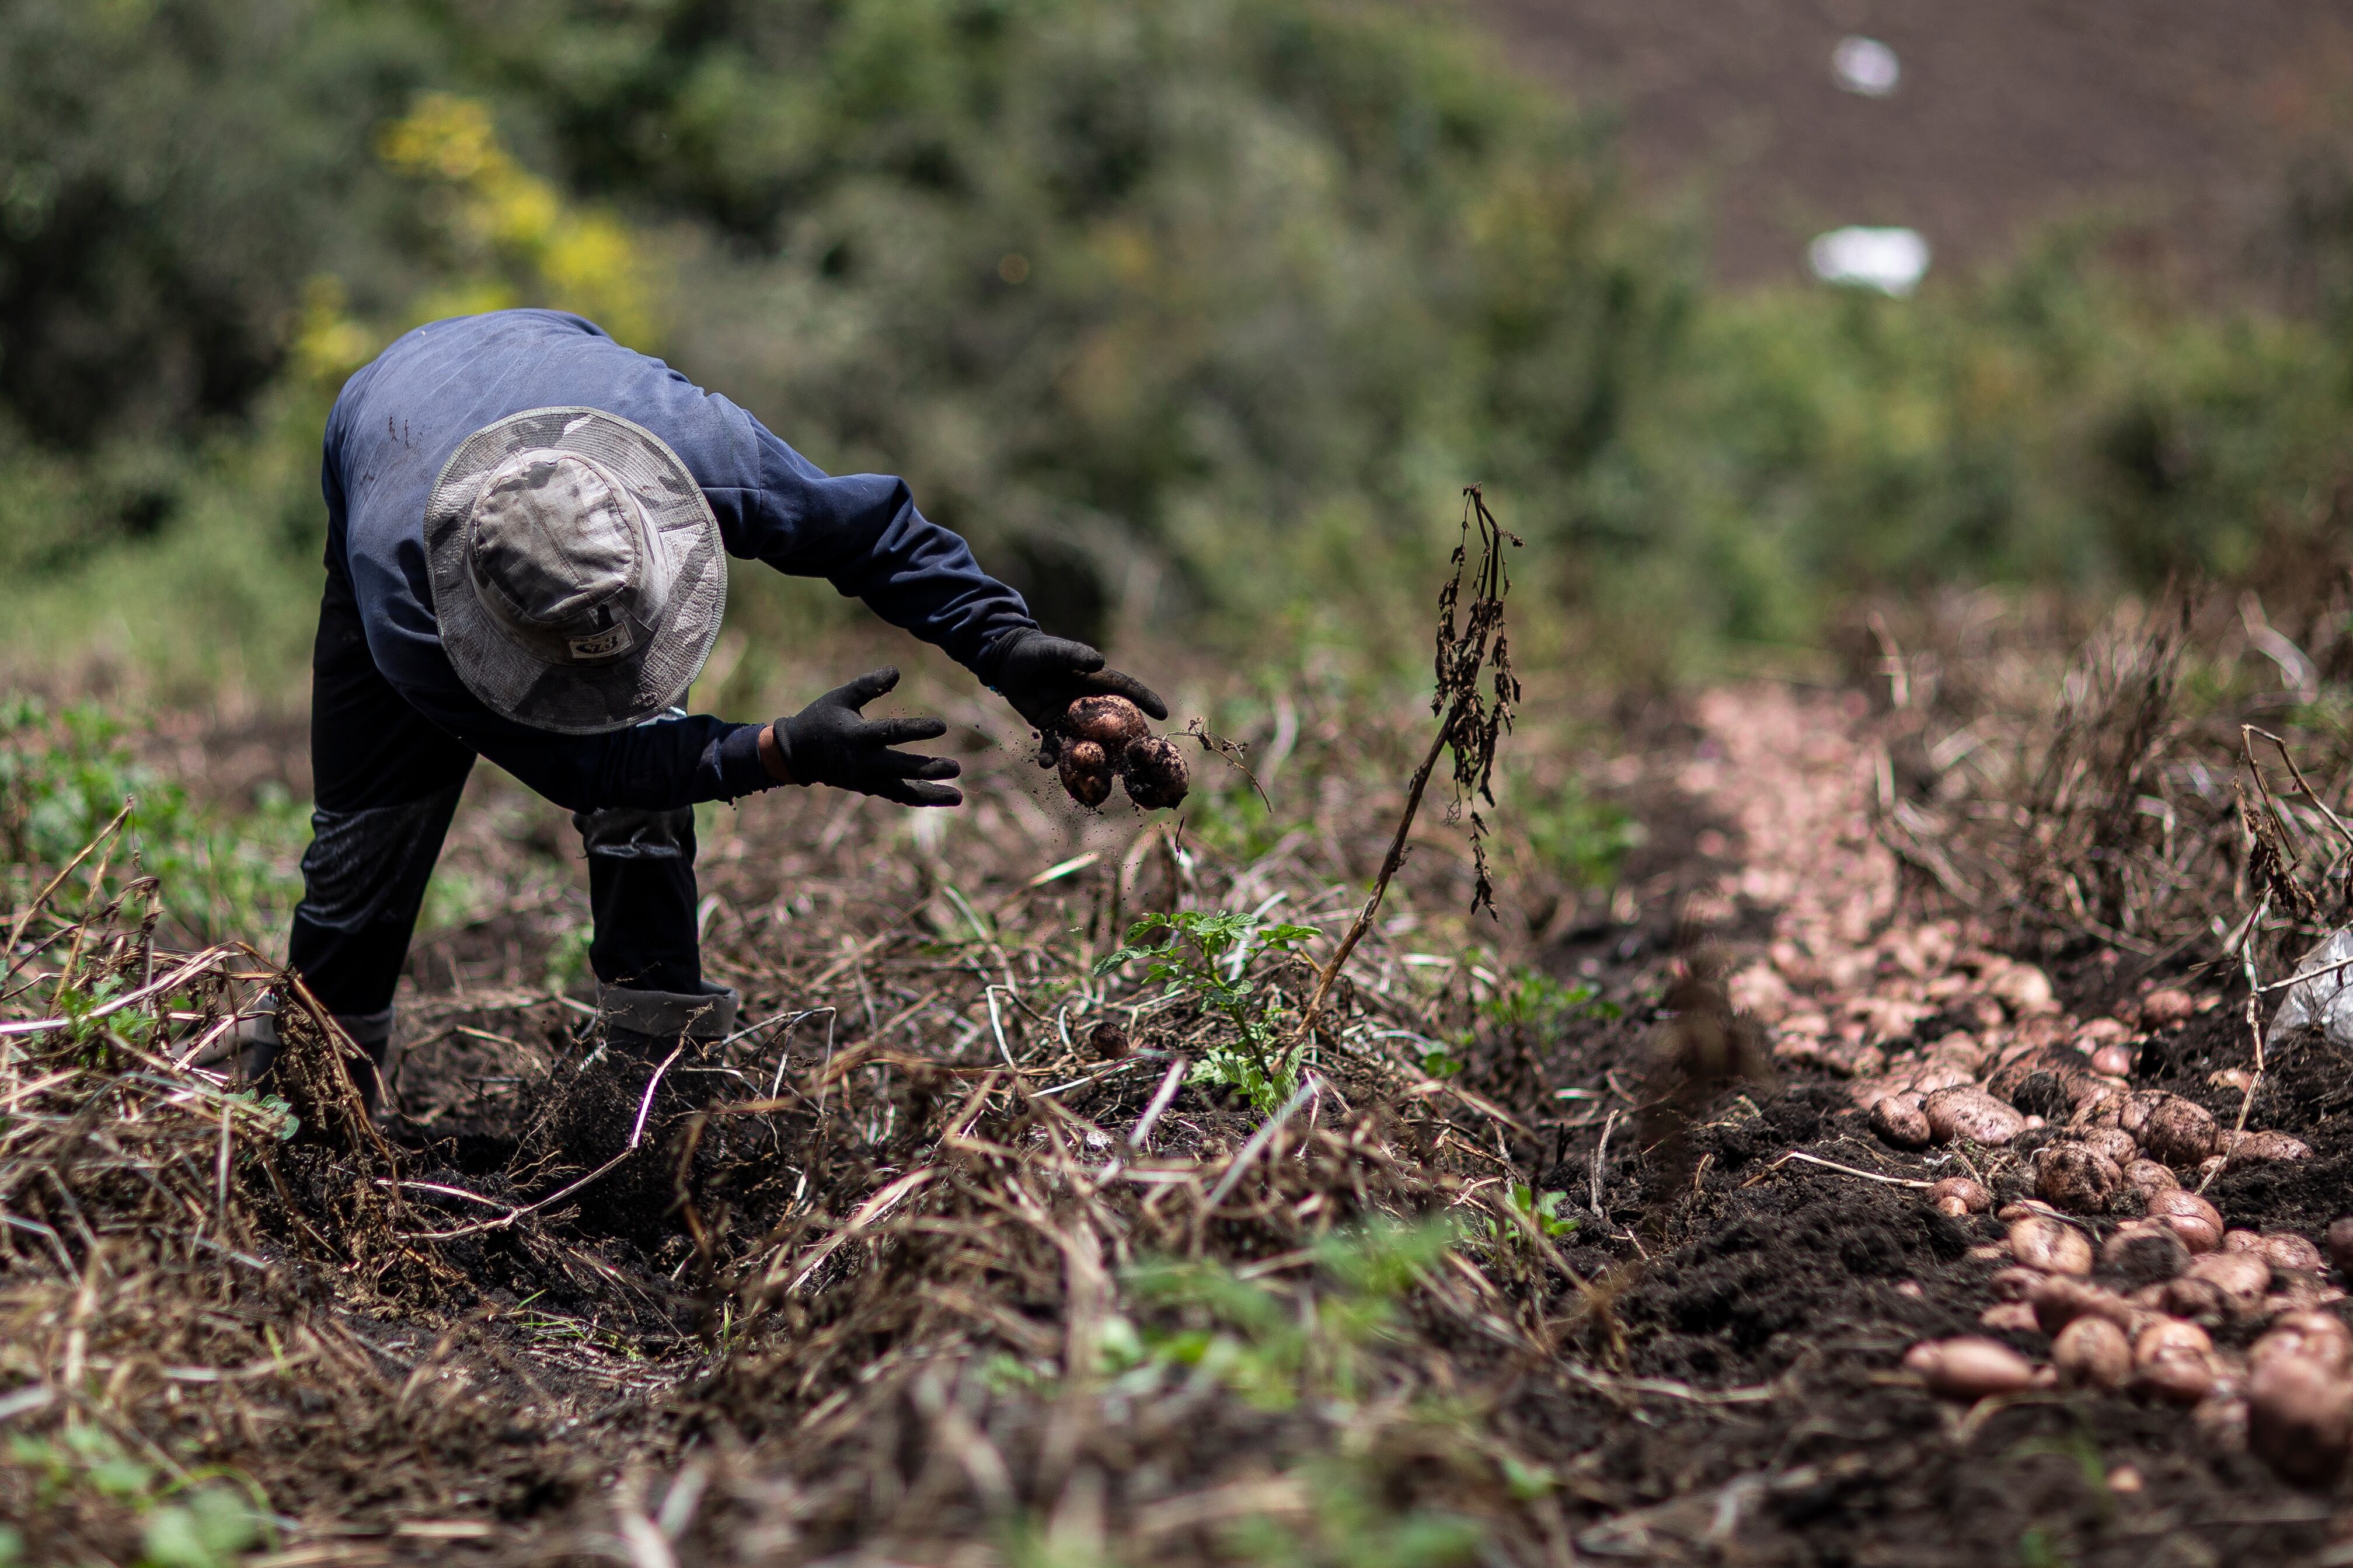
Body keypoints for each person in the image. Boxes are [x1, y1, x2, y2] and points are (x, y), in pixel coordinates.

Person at [239, 308, 1163, 1109]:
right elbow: (588, 769)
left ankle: (654, 1087)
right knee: (368, 832)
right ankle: (316, 1097)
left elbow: (868, 531)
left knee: (644, 802)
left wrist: (1000, 641)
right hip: (388, 419)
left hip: (547, 360)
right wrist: (779, 750)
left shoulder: (696, 449)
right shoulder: (408, 607)